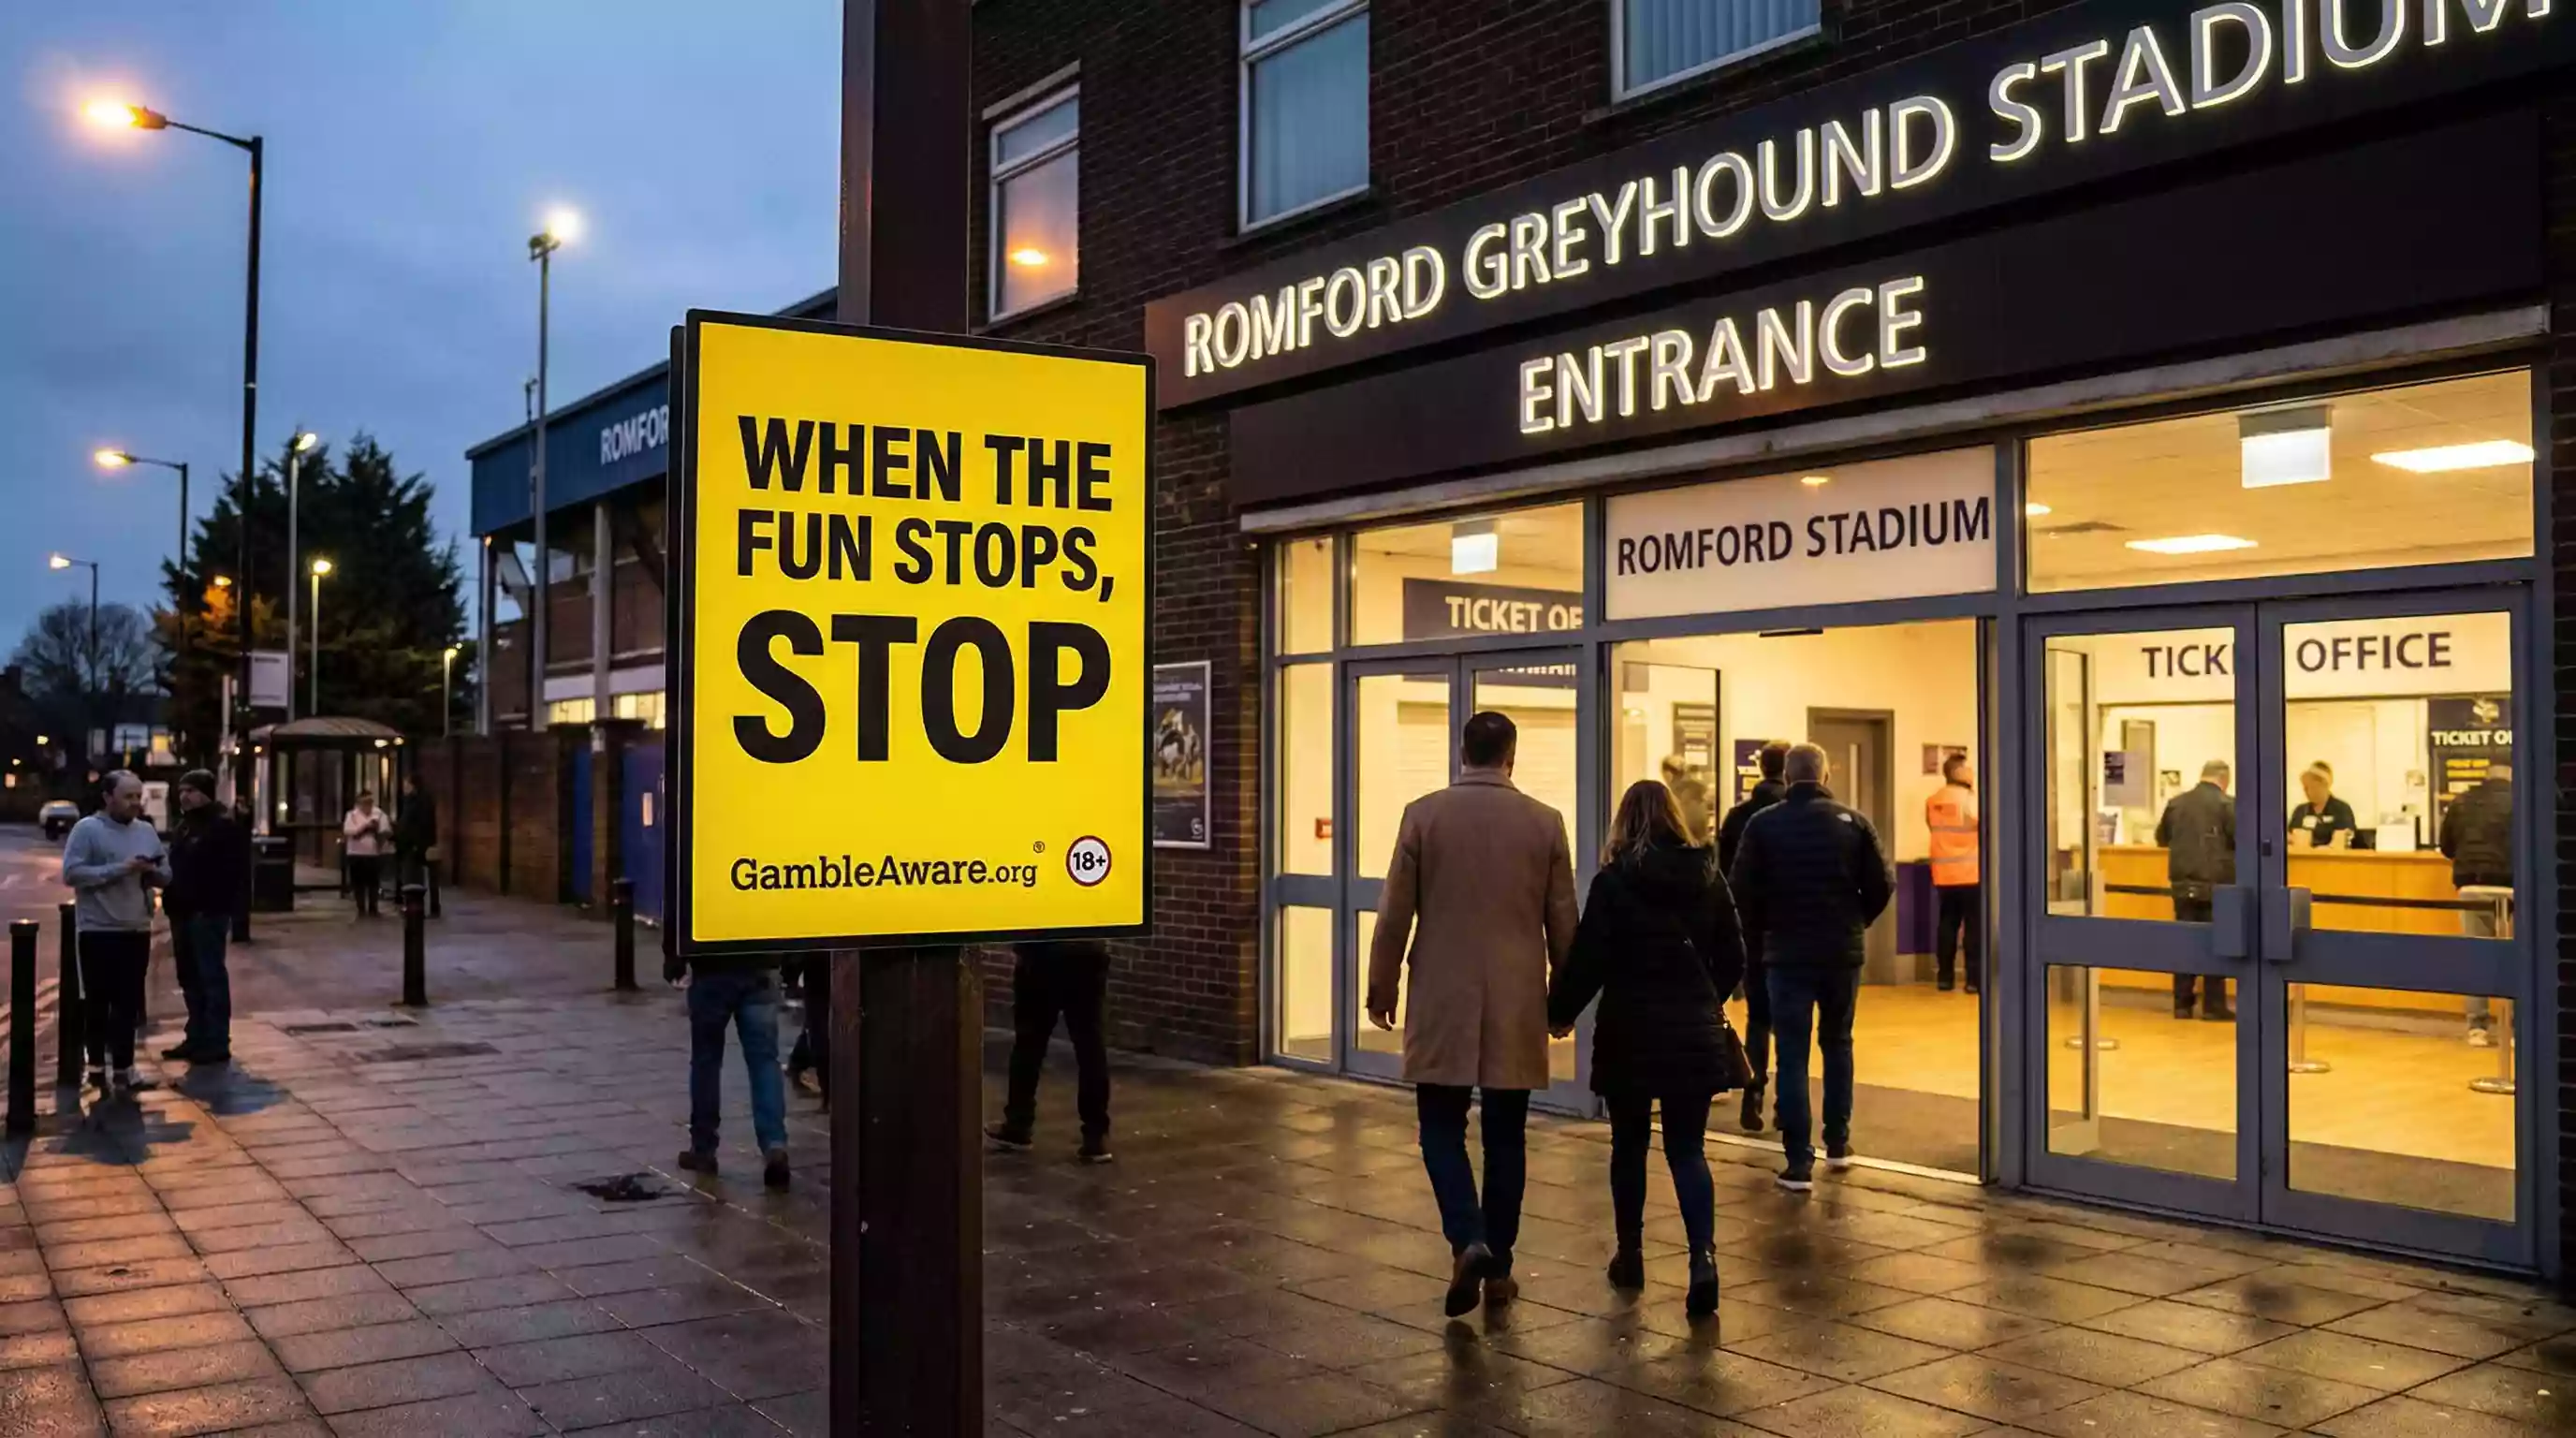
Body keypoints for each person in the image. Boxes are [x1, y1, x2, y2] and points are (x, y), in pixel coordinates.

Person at [1368, 711, 1577, 1316]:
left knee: (1439, 1125)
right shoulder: (1544, 822)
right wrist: (1562, 1003)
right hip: (1515, 999)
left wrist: (1382, 987)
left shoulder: (1424, 814)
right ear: (1511, 756)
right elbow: (1563, 923)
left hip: (1442, 995)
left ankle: (1468, 1237)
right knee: (1507, 1135)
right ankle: (1500, 1269)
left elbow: (1394, 913)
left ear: (1463, 752)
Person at [1546, 780, 1744, 1319]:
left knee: (1628, 1145)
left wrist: (1559, 1011)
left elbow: (1588, 958)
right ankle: (1702, 1260)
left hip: (1630, 1029)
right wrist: (1705, 998)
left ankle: (1631, 1255)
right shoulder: (1708, 875)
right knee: (1688, 1149)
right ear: (1675, 819)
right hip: (1691, 1032)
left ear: (1623, 823)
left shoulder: (1613, 883)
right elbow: (1735, 955)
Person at [1730, 742, 1893, 1193]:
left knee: (1794, 1054)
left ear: (1786, 775)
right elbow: (1882, 884)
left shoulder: (1764, 825)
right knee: (1838, 1042)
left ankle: (1799, 1162)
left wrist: (1763, 933)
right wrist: (1856, 921)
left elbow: (1740, 890)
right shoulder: (1853, 822)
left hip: (1786, 954)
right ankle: (1838, 1143)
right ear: (1824, 776)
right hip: (1842, 952)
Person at [60, 771, 168, 1095]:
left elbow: (166, 874)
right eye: (128, 797)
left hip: (136, 927)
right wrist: (122, 868)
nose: (136, 803)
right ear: (108, 797)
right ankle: (95, 1068)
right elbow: (72, 873)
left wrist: (153, 872)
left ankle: (125, 1068)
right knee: (97, 1001)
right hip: (98, 930)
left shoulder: (146, 831)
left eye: (138, 796)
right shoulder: (87, 830)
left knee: (128, 1002)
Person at [663, 943, 791, 1188]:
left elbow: (679, 904)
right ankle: (774, 1145)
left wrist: (674, 956)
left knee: (706, 1062)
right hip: (759, 963)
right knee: (764, 1061)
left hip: (711, 965)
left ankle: (703, 1148)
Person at [987, 939, 1115, 1162]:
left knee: (1029, 1045)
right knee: (1090, 1047)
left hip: (1042, 952)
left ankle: (1018, 1125)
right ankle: (1096, 1136)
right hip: (1087, 952)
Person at [1716, 740, 1789, 1134]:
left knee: (1758, 1018)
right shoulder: (1794, 816)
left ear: (1761, 769)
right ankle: (1786, 1104)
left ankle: (1753, 1093)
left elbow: (1723, 876)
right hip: (1790, 931)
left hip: (1751, 929)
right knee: (1791, 1021)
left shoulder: (1738, 816)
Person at [162, 770, 246, 1064]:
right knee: (189, 977)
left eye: (192, 790)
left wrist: (216, 907)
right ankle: (196, 1035)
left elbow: (233, 873)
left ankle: (216, 1040)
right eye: (182, 790)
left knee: (210, 975)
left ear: (207, 793)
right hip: (182, 913)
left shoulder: (222, 827)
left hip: (206, 913)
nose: (185, 795)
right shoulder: (183, 827)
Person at [2439, 759, 2514, 1046]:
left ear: (2486, 777)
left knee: (2476, 958)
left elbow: (2447, 846)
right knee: (2516, 957)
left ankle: (2477, 1028)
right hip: (2513, 887)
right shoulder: (2524, 799)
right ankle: (2515, 1030)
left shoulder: (2462, 801)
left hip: (2472, 886)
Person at [2158, 760, 2237, 1020]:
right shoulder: (2227, 805)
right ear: (2224, 779)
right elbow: (2242, 841)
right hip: (2216, 885)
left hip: (2181, 885)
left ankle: (2182, 1004)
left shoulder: (2176, 803)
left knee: (2185, 944)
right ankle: (2214, 1006)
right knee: (2216, 944)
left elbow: (2161, 838)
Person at [1925, 754, 1982, 994]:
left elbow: (1933, 828)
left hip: (1943, 873)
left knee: (1947, 925)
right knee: (1973, 927)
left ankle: (1945, 978)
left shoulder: (1933, 800)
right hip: (1970, 873)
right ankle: (1973, 980)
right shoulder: (1970, 800)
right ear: (1958, 772)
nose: (1972, 773)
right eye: (1968, 769)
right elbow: (1984, 825)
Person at [393, 773, 439, 910]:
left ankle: (414, 907)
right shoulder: (422, 800)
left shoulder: (415, 802)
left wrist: (403, 837)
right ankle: (430, 906)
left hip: (413, 845)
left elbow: (412, 824)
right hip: (420, 843)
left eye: (406, 785)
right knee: (426, 878)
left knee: (412, 877)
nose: (404, 788)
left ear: (413, 786)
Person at [342, 792, 391, 917]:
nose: (366, 806)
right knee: (358, 882)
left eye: (369, 803)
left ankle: (373, 908)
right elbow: (348, 831)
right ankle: (361, 908)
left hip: (373, 854)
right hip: (356, 853)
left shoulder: (379, 814)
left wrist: (378, 830)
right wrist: (365, 827)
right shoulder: (352, 815)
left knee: (373, 882)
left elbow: (386, 831)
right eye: (363, 803)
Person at [2287, 762, 2358, 849]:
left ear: (2325, 785)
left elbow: (2342, 842)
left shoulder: (2341, 809)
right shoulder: (2300, 811)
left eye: (2312, 786)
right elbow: (2290, 838)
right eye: (2305, 787)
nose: (2307, 791)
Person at [1661, 756, 1710, 845]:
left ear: (1668, 774)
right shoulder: (1697, 788)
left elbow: (1687, 820)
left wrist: (1691, 839)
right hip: (1700, 842)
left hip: (1688, 844)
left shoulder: (1679, 792)